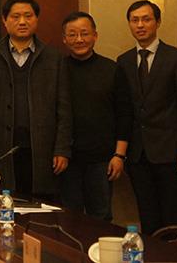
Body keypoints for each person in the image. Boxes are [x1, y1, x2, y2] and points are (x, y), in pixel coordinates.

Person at [0, 0, 71, 199]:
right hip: (2, 148)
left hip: (42, 148)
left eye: (28, 16)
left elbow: (64, 108)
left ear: (36, 19)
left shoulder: (54, 58)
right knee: (4, 204)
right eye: (15, 16)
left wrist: (62, 149)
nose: (22, 22)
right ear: (4, 20)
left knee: (40, 205)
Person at [116, 0, 177, 235]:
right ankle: (152, 253)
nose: (140, 25)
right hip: (137, 154)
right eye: (135, 20)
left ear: (158, 22)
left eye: (146, 19)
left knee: (172, 213)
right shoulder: (124, 61)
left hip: (169, 151)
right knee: (147, 213)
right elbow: (125, 110)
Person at [59, 12, 132, 221]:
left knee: (101, 218)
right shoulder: (57, 69)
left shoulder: (112, 69)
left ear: (95, 36)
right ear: (64, 39)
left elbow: (124, 115)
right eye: (72, 34)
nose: (79, 39)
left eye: (84, 33)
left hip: (102, 160)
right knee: (69, 219)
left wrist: (119, 156)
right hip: (67, 160)